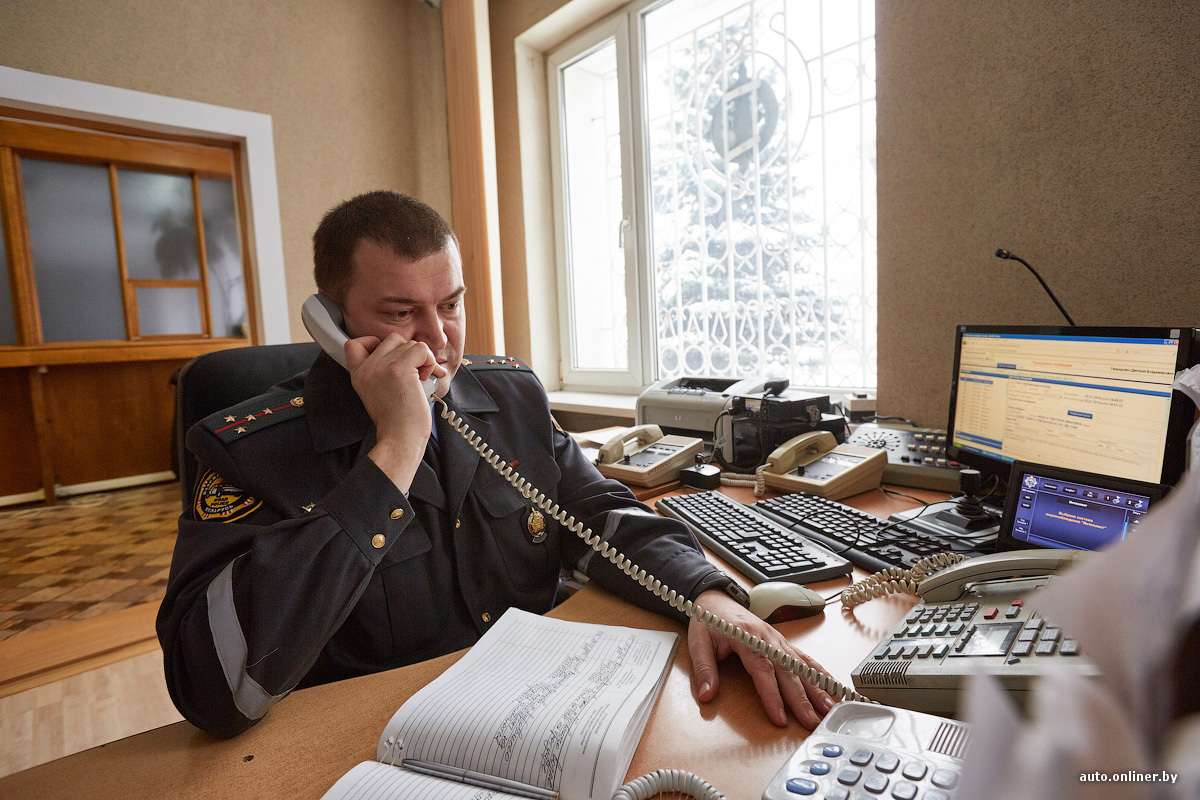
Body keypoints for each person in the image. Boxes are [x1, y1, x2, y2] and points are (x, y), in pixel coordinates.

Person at [157, 191, 836, 738]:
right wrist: (392, 453)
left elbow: (601, 514)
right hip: (371, 747)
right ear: (332, 321)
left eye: (450, 304)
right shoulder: (247, 449)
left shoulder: (509, 395)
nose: (439, 337)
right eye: (402, 313)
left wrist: (709, 597)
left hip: (546, 719)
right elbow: (211, 686)